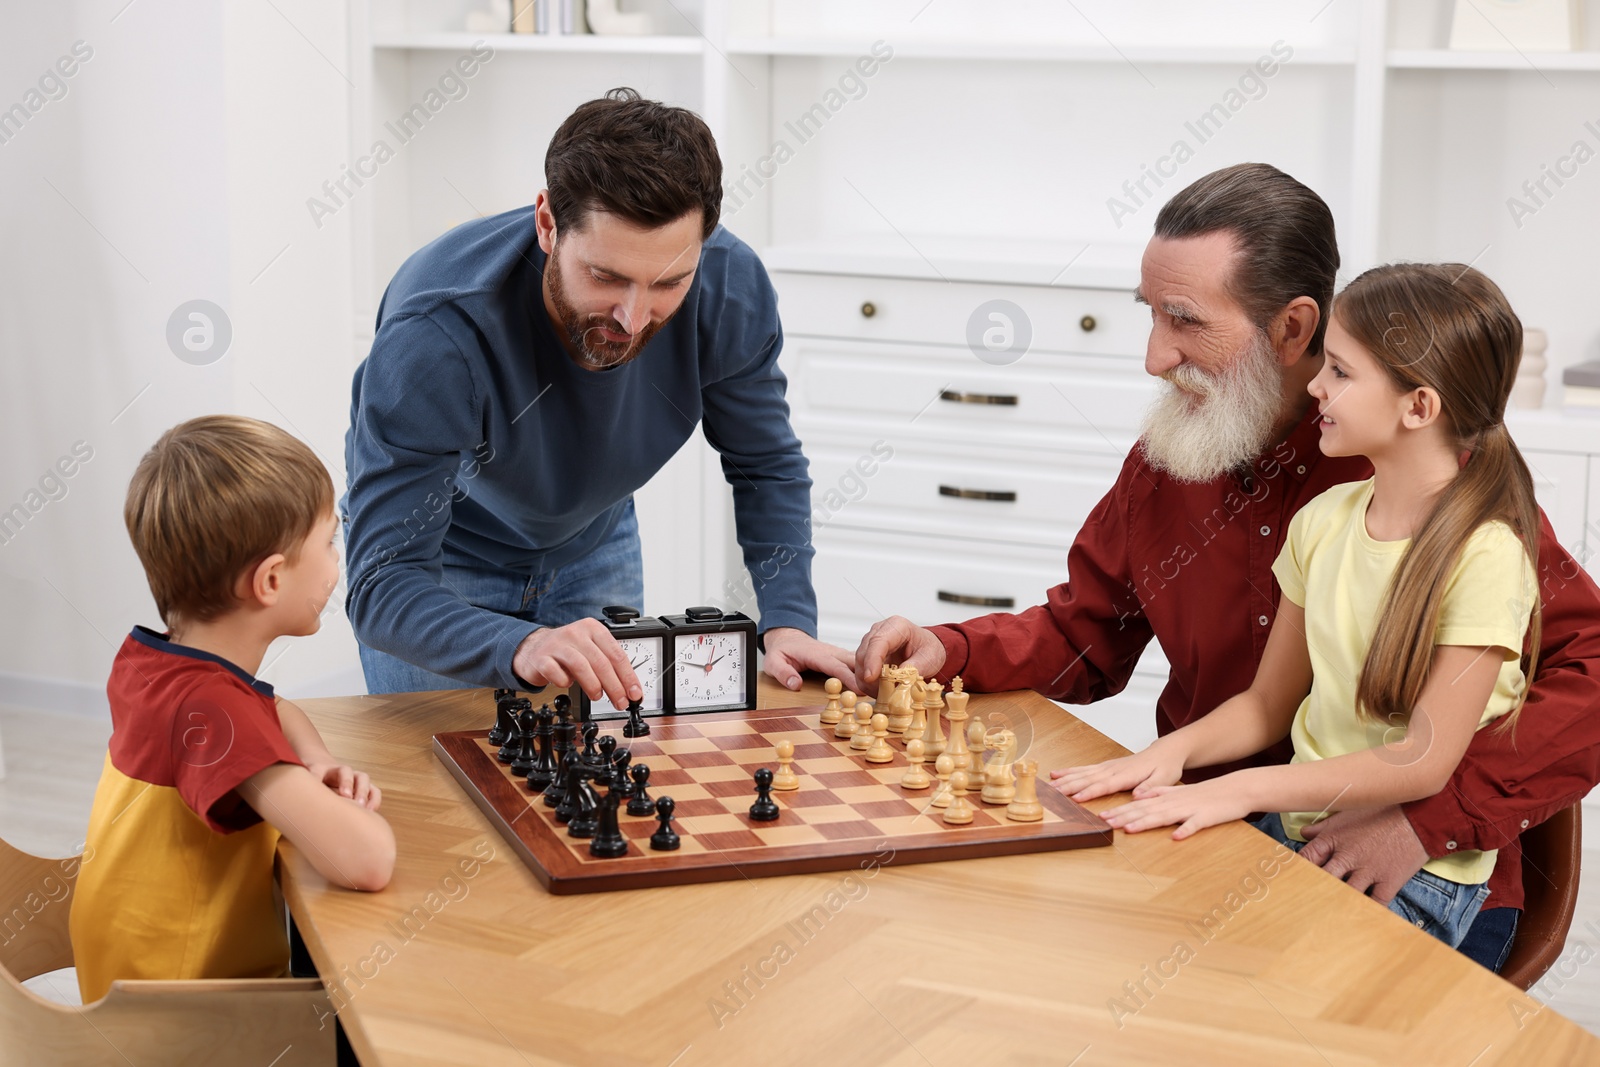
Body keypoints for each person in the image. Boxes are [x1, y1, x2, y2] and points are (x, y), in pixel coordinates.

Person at [852, 163, 1600, 972]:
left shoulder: (1438, 489)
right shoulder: (1176, 458)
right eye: (1150, 314)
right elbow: (1087, 631)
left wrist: (1427, 820)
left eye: (1185, 321)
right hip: (1216, 834)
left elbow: (1588, 672)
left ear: (1292, 328)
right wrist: (948, 649)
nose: (1152, 358)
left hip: (1410, 874)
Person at [1053, 263, 1539, 946]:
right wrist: (1169, 751)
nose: (1315, 386)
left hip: (1420, 874)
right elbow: (1264, 707)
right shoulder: (1322, 521)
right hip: (1295, 826)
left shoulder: (1487, 555)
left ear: (1418, 407)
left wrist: (1243, 789)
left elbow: (1423, 759)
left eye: (1340, 371)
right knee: (1132, 921)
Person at [342, 88, 850, 705]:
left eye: (668, 283)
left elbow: (764, 463)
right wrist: (521, 644)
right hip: (447, 569)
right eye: (605, 277)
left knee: (598, 786)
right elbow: (383, 579)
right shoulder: (436, 337)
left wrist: (788, 617)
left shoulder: (729, 288)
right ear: (548, 224)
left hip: (596, 543)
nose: (634, 318)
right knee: (444, 788)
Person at [70, 416, 395, 1003]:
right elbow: (367, 864)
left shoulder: (155, 663)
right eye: (329, 541)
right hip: (185, 1016)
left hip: (126, 981)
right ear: (271, 579)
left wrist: (313, 761)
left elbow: (275, 709)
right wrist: (352, 812)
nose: (336, 558)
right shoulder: (215, 714)